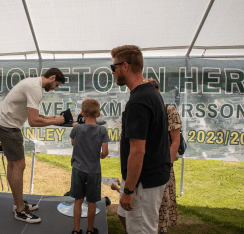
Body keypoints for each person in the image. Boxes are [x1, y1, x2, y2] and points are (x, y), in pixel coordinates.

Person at [110, 45, 171, 234]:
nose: (113, 72)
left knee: (142, 229)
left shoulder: (139, 101)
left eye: (114, 67)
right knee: (123, 215)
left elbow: (138, 150)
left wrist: (129, 190)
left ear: (125, 66)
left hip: (143, 182)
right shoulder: (150, 93)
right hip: (146, 177)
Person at [0, 68, 66, 223]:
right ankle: (20, 210)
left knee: (13, 165)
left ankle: (17, 203)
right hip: (9, 127)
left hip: (5, 124)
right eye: (56, 85)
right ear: (52, 77)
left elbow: (33, 114)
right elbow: (33, 122)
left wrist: (51, 117)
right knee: (19, 165)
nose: (54, 88)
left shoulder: (33, 84)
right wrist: (56, 121)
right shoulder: (35, 89)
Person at [69, 98, 109, 234]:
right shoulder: (103, 130)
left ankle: (76, 229)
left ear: (82, 113)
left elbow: (73, 143)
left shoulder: (77, 128)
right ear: (98, 114)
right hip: (94, 171)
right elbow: (105, 152)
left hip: (78, 170)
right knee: (92, 202)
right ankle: (90, 229)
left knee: (78, 201)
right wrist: (100, 156)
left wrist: (76, 128)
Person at [147, 78, 181, 233]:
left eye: (154, 88)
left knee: (161, 207)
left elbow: (175, 142)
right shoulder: (143, 110)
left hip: (163, 166)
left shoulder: (169, 110)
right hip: (145, 167)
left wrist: (167, 165)